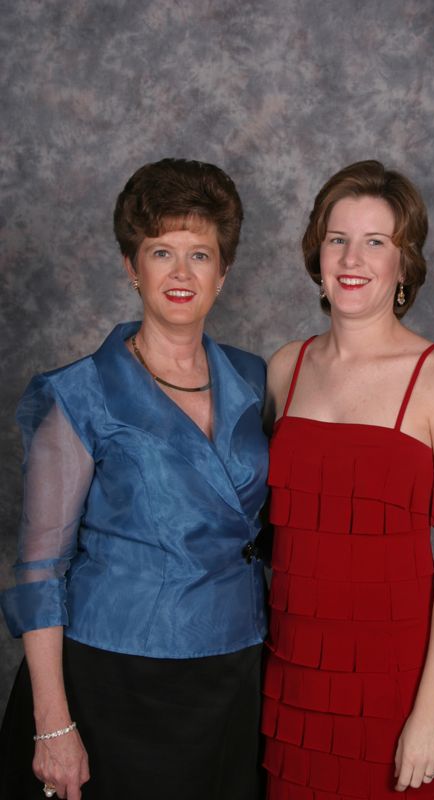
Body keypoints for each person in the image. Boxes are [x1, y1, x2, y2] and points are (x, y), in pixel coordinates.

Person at [0, 158, 269, 800]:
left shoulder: (256, 379)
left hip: (236, 670)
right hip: (114, 679)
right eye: (160, 252)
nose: (181, 273)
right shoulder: (80, 394)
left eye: (199, 255)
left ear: (223, 273)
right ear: (131, 267)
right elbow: (40, 569)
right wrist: (52, 725)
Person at [261, 160, 434, 798]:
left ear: (403, 264)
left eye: (376, 242)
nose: (352, 258)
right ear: (317, 255)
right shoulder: (286, 368)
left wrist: (430, 712)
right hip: (294, 681)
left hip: (394, 687)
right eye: (338, 239)